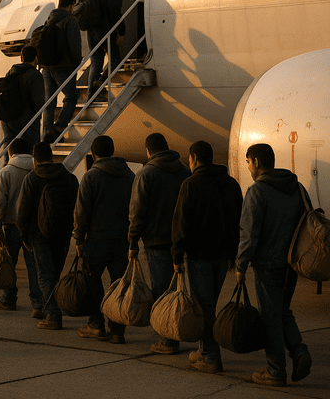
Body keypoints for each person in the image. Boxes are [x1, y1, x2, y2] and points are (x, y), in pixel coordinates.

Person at [235, 143, 312, 387]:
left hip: (268, 265)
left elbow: (249, 233)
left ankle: (276, 370)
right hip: (292, 264)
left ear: (257, 162)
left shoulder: (258, 191)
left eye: (248, 162)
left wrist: (240, 265)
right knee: (283, 310)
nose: (248, 167)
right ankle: (299, 351)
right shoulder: (296, 187)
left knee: (270, 315)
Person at [171, 141, 243, 373]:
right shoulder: (231, 184)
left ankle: (210, 355)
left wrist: (177, 255)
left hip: (199, 255)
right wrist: (235, 254)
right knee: (209, 304)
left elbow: (181, 223)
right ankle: (204, 351)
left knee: (204, 307)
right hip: (223, 256)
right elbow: (238, 221)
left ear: (193, 159)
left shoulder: (190, 184)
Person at [128, 132, 190, 354]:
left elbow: (137, 211)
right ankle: (177, 332)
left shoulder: (147, 173)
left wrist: (132, 241)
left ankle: (168, 340)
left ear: (148, 151)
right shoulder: (184, 170)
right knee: (178, 291)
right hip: (181, 241)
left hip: (156, 240)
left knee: (162, 291)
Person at [73, 135, 135, 344]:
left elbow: (81, 211)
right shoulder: (129, 175)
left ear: (93, 153)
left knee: (92, 281)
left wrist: (79, 238)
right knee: (119, 284)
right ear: (113, 150)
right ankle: (117, 330)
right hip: (121, 239)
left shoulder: (91, 177)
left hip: (97, 240)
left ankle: (96, 324)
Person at [16, 142, 79, 330]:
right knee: (55, 274)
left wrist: (24, 236)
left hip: (39, 235)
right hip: (63, 233)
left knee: (45, 275)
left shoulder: (31, 178)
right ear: (51, 157)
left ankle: (52, 314)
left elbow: (23, 212)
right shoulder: (69, 178)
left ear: (34, 159)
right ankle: (49, 307)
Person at [0, 137, 44, 318]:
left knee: (8, 263)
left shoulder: (6, 172)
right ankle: (38, 304)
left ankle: (9, 298)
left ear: (11, 153)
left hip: (11, 225)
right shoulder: (39, 171)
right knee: (33, 266)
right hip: (34, 226)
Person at [41, 0, 82, 143]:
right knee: (71, 97)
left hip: (47, 67)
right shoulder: (70, 20)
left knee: (49, 100)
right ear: (71, 4)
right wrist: (77, 62)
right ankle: (59, 126)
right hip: (63, 67)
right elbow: (74, 45)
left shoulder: (49, 19)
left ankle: (47, 132)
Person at [84, 0, 125, 101]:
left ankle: (91, 95)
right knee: (116, 60)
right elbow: (114, 12)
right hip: (105, 30)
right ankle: (101, 82)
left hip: (91, 29)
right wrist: (121, 31)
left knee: (96, 62)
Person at [0, 45, 44, 153]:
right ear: (36, 58)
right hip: (27, 121)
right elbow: (38, 102)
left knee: (10, 153)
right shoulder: (35, 75)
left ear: (21, 58)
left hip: (8, 121)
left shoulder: (10, 72)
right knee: (29, 154)